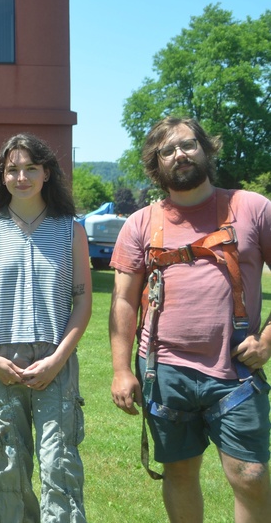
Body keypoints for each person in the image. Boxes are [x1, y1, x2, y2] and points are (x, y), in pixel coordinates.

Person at [109, 117, 271, 523]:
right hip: (163, 372)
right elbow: (124, 301)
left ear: (206, 149)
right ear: (155, 163)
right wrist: (119, 369)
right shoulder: (141, 223)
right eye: (168, 150)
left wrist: (268, 340)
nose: (179, 154)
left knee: (251, 475)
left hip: (235, 370)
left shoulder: (251, 207)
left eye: (188, 144)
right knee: (179, 473)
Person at [0, 133, 92, 522]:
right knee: (8, 471)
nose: (21, 177)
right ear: (1, 176)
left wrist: (57, 360)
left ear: (47, 173)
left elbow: (83, 301)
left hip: (56, 362)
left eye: (30, 168)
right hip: (1, 364)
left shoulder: (71, 230)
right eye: (12, 169)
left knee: (59, 467)